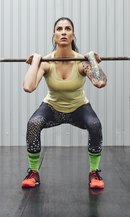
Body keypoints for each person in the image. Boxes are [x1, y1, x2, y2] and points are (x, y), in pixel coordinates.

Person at [21, 17, 107, 189]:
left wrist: (91, 59)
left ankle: (94, 172)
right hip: (52, 108)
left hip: (79, 108)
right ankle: (33, 172)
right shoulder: (46, 63)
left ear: (73, 35)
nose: (63, 32)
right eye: (59, 29)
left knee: (95, 125)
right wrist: (36, 60)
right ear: (54, 36)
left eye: (67, 29)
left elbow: (100, 82)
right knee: (33, 124)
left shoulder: (82, 62)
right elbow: (28, 87)